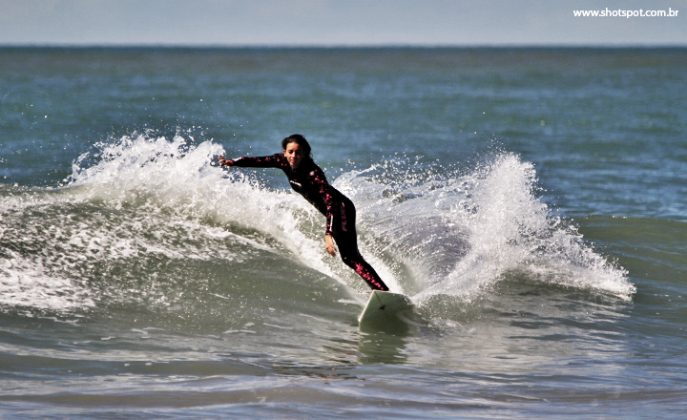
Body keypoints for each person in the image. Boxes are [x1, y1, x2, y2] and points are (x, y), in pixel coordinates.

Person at [219, 134, 389, 291]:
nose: (294, 156)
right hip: (333, 211)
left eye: (298, 153)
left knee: (350, 257)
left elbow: (331, 203)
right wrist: (232, 162)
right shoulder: (282, 161)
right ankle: (381, 290)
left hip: (341, 209)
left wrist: (328, 233)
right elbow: (257, 161)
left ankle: (381, 291)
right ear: (284, 153)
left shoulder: (313, 173)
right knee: (350, 258)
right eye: (290, 152)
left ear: (306, 154)